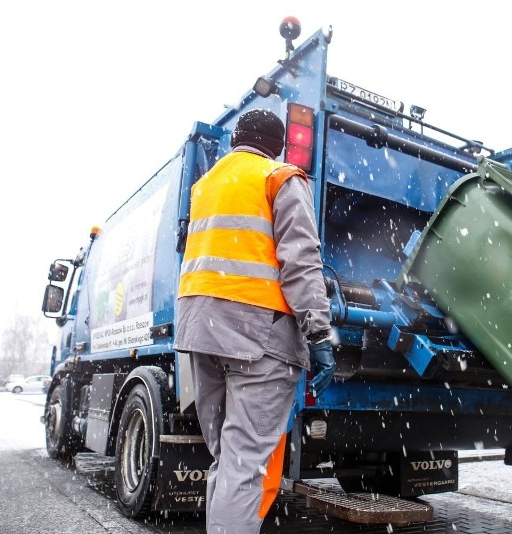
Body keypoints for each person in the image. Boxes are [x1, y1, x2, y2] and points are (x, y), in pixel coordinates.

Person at [175, 108, 335, 533]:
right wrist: (318, 332)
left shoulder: (205, 185)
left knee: (229, 461)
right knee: (244, 465)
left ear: (235, 141)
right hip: (259, 337)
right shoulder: (279, 177)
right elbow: (301, 261)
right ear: (277, 145)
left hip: (201, 332)